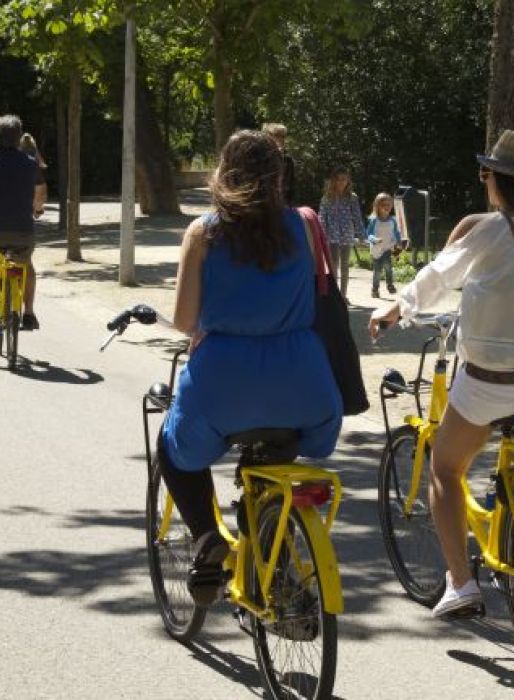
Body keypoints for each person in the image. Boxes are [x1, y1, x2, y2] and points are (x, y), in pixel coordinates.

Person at [368, 129, 514, 618]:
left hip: (491, 384)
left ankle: (461, 582)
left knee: (446, 468)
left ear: (499, 180)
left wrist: (394, 309)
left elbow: (438, 276)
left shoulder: (488, 231)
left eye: (486, 174)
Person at [157, 130, 343, 606]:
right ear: (279, 176)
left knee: (172, 451)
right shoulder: (302, 226)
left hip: (224, 380)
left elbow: (183, 319)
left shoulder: (204, 232)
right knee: (276, 459)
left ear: (224, 173)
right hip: (304, 382)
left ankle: (205, 537)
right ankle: (277, 570)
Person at [0, 115, 46, 331]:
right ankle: (28, 313)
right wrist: (37, 211)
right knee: (27, 265)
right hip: (22, 232)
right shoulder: (30, 164)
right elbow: (40, 195)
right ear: (19, 138)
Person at [318, 165, 364, 303]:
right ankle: (335, 295)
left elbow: (357, 216)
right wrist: (321, 234)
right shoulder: (327, 197)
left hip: (346, 235)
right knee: (333, 266)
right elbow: (321, 216)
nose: (341, 182)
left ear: (348, 181)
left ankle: (343, 295)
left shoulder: (352, 197)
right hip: (331, 236)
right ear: (333, 181)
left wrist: (361, 234)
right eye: (338, 179)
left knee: (345, 265)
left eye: (344, 179)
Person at [365, 192, 401, 298]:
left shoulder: (392, 220)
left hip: (387, 248)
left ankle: (390, 285)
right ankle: (375, 290)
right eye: (383, 205)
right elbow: (368, 234)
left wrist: (398, 243)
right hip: (376, 250)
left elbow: (396, 233)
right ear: (377, 206)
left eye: (389, 205)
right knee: (377, 271)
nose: (387, 207)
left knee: (388, 267)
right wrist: (374, 240)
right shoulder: (373, 220)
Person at [261, 123, 295, 205]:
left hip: (283, 202)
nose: (281, 139)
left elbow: (290, 185)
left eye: (283, 136)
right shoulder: (261, 157)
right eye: (277, 135)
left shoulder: (288, 159)